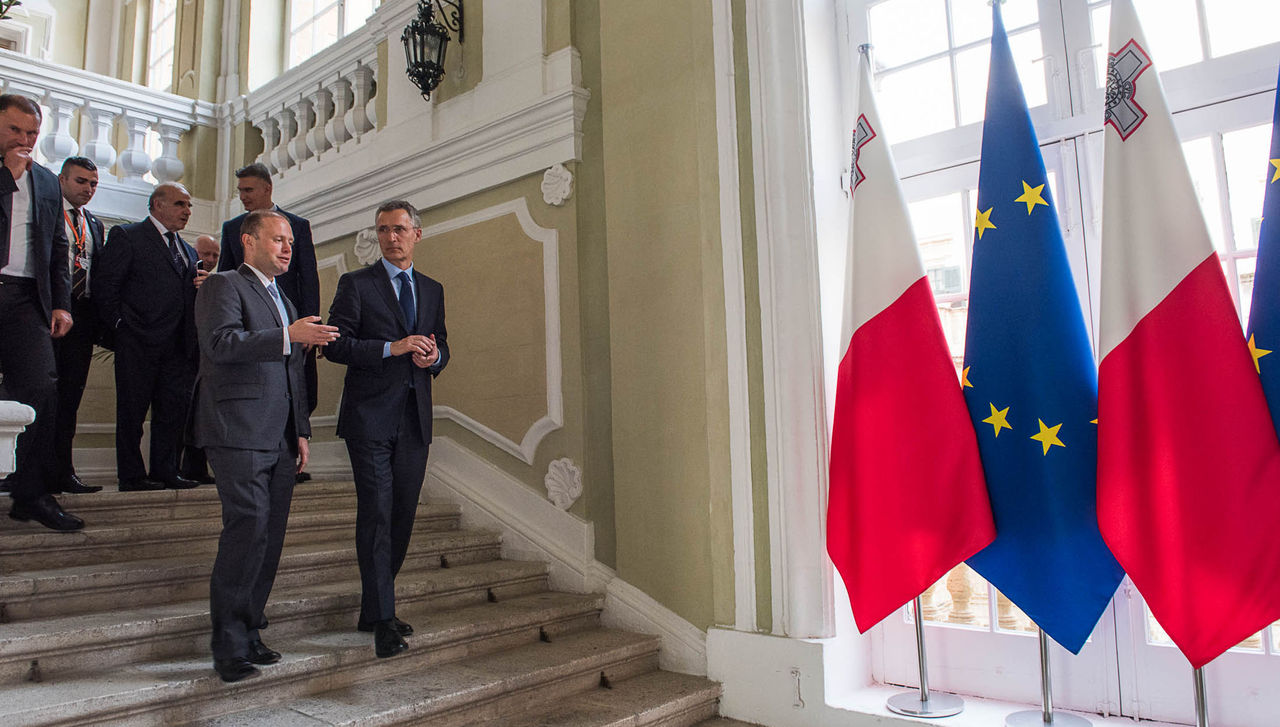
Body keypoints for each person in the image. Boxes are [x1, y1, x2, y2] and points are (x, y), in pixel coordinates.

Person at [191, 208, 338, 683]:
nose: (286, 248)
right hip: (237, 429)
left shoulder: (287, 302)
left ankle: (251, 630)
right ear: (249, 242)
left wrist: (300, 430)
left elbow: (293, 371)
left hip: (279, 436)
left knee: (269, 538)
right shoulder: (224, 285)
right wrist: (285, 336)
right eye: (277, 240)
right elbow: (221, 343)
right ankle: (228, 645)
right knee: (247, 529)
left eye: (290, 242)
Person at [326, 200, 448, 659]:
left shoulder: (432, 289)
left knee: (401, 515)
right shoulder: (356, 284)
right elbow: (337, 347)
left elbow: (443, 344)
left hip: (415, 419)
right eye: (382, 230)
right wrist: (391, 348)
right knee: (376, 513)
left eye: (398, 229)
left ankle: (373, 605)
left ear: (417, 233)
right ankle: (382, 620)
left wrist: (433, 358)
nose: (390, 237)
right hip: (368, 420)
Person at [0, 93, 83, 531]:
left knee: (41, 387)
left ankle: (29, 492)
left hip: (25, 298)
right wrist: (7, 177)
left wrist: (61, 304)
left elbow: (58, 248)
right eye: (15, 130)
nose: (25, 140)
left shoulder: (48, 181)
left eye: (32, 133)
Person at [94, 182, 207, 492]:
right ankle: (131, 475)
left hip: (178, 347)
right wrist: (122, 327)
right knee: (131, 412)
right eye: (180, 204)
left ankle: (166, 470)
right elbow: (106, 288)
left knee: (172, 413)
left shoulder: (187, 249)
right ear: (158, 205)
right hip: (138, 343)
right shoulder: (128, 236)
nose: (187, 211)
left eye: (189, 206)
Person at [219, 163, 319, 483]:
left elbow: (309, 279)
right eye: (240, 192)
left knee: (299, 393)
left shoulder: (298, 226)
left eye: (249, 190)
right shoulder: (232, 227)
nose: (243, 197)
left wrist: (310, 328)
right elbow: (226, 275)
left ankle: (290, 461)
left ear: (267, 189)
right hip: (254, 330)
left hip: (294, 324)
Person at [47, 156, 106, 495]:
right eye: (81, 182)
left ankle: (63, 470)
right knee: (42, 394)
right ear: (62, 180)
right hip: (48, 314)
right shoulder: (48, 214)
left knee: (70, 397)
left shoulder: (94, 224)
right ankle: (28, 469)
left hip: (81, 320)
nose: (88, 189)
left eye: (93, 184)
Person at [179, 233, 224, 485]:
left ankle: (196, 467)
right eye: (205, 253)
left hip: (209, 358)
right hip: (182, 355)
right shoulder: (180, 275)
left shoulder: (220, 283)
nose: (209, 259)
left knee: (204, 413)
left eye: (215, 255)